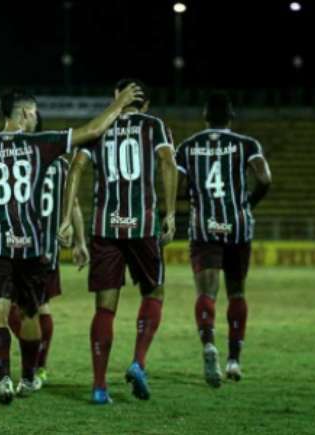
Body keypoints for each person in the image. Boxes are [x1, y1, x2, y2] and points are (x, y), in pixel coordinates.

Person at [0, 84, 143, 405]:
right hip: (30, 245)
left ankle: (3, 380)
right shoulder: (41, 144)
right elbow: (93, 130)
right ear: (26, 113)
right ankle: (29, 377)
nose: (36, 117)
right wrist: (120, 103)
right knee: (30, 315)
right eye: (35, 112)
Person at [59, 79, 178, 404]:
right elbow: (168, 162)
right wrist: (169, 214)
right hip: (143, 225)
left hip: (104, 227)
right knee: (154, 290)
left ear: (117, 97)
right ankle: (138, 362)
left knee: (105, 308)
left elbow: (76, 168)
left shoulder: (100, 126)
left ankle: (99, 387)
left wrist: (66, 217)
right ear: (147, 105)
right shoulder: (154, 125)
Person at [175, 92, 272, 387]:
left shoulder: (188, 147)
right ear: (231, 117)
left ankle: (208, 345)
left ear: (205, 118)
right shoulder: (246, 144)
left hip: (204, 226)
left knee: (207, 291)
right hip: (238, 226)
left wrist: (193, 198)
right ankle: (233, 360)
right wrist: (247, 205)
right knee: (237, 292)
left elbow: (177, 188)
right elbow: (265, 178)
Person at [6, 111, 89, 390]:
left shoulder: (16, 158)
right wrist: (80, 241)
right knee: (41, 307)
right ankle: (39, 367)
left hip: (18, 248)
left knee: (10, 310)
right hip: (48, 250)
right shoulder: (62, 164)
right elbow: (73, 205)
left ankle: (33, 365)